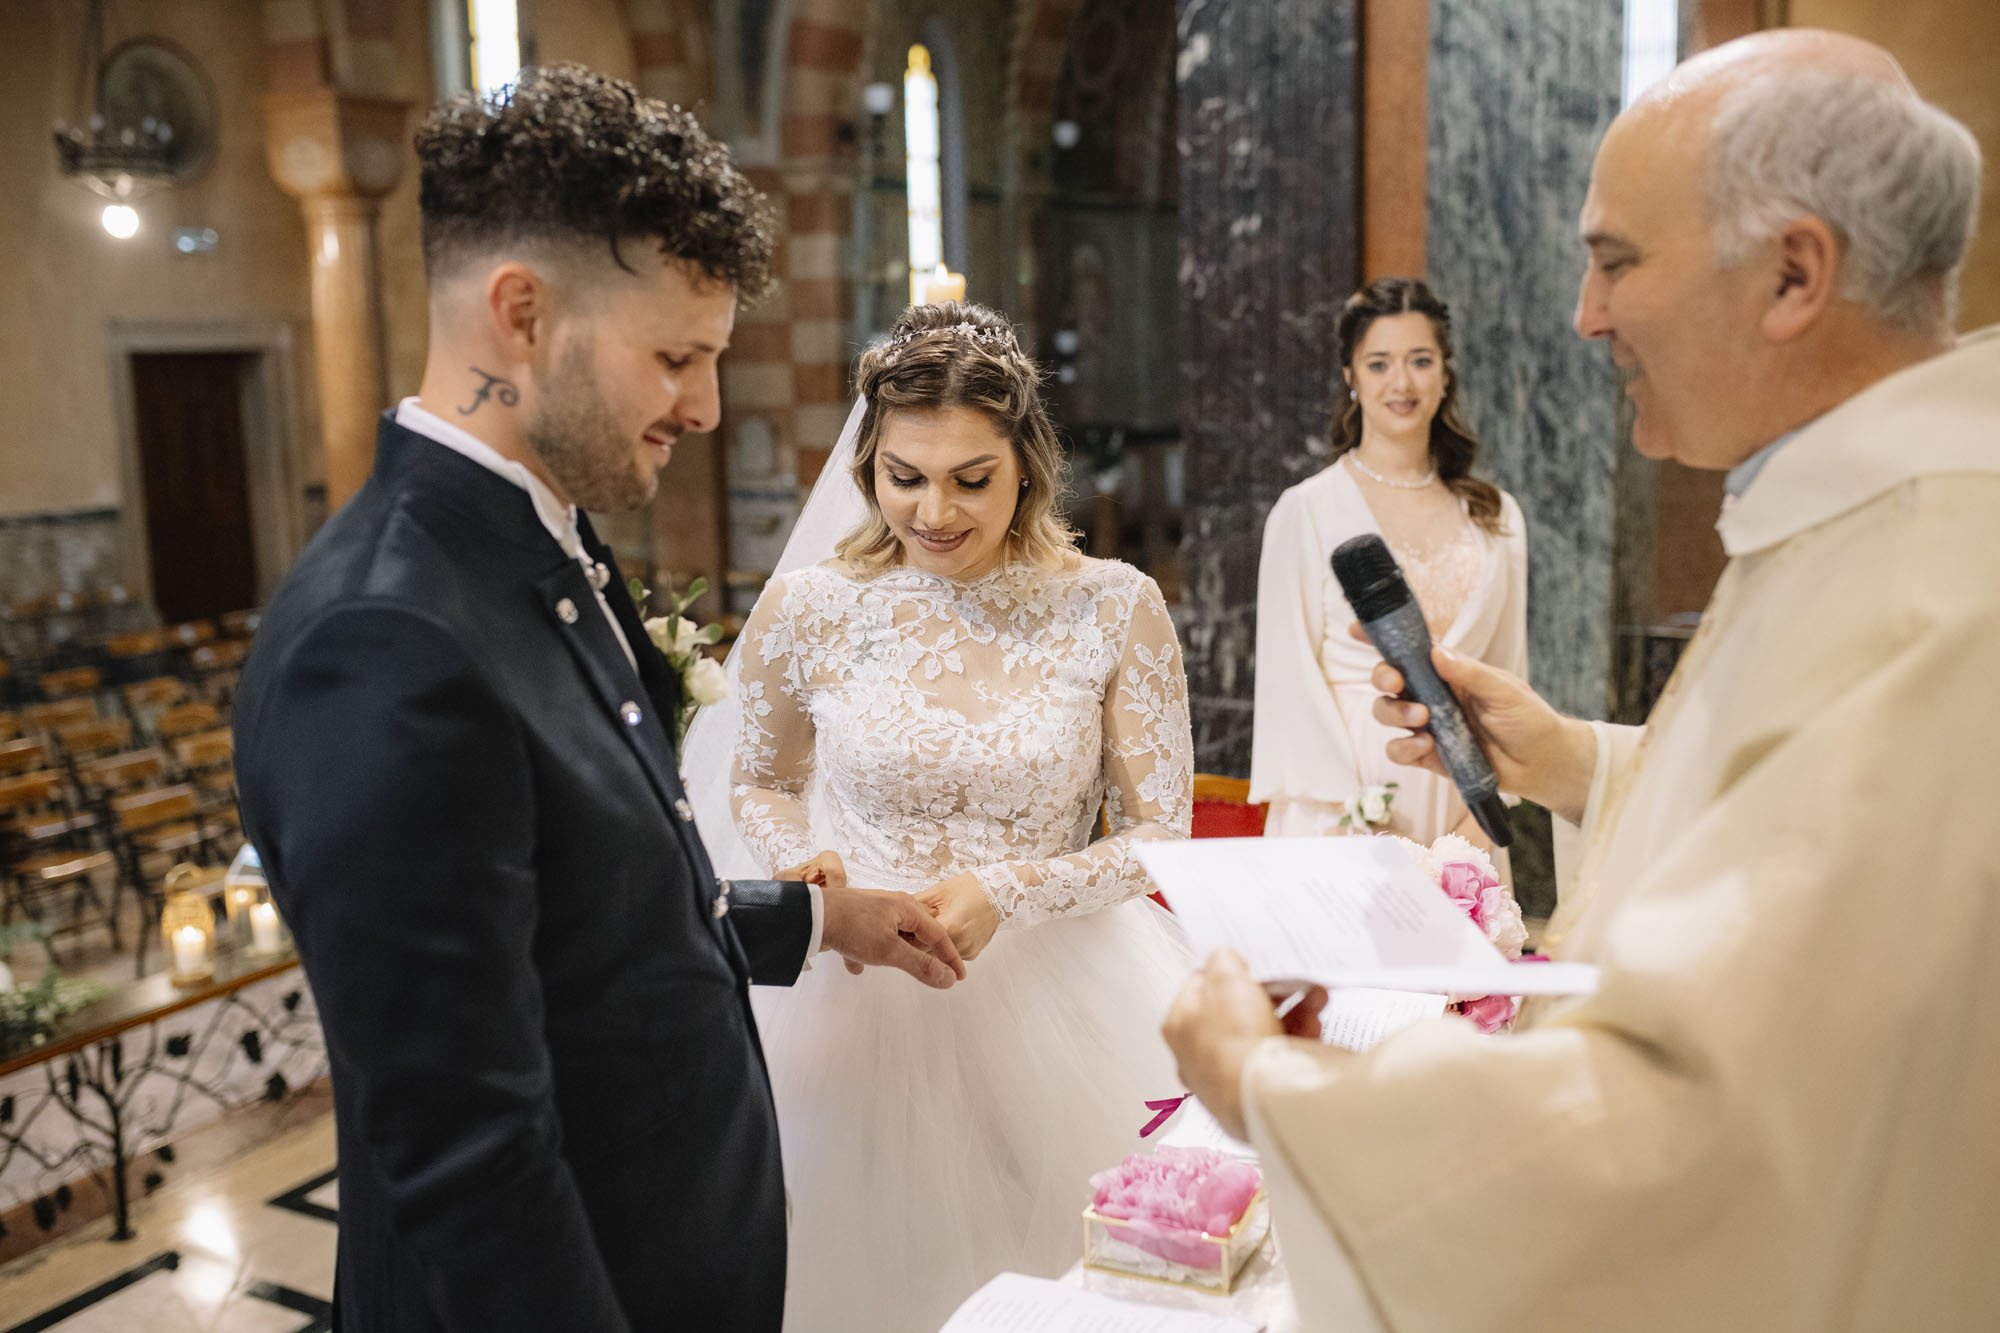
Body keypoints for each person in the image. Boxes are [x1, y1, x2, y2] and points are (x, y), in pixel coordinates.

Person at [1165, 29, 1998, 1332]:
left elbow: (1675, 1134)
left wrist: (1273, 1090)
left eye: (1616, 260)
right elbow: (1788, 831)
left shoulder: (1928, 585)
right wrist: (1572, 759)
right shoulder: (1868, 513)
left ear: (1794, 273)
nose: (1584, 315)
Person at [233, 67, 964, 1333]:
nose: (705, 406)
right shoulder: (382, 640)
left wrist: (807, 919)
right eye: (675, 356)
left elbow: (578, 926)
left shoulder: (540, 545)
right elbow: (471, 1155)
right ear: (519, 313)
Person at [713, 300, 1194, 1332]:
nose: (933, 510)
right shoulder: (808, 608)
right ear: (866, 468)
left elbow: (1161, 832)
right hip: (850, 1000)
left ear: (1025, 462)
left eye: (970, 479)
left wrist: (1010, 888)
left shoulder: (1114, 606)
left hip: (1069, 998)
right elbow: (757, 781)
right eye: (904, 477)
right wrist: (812, 869)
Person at [1250, 278, 1526, 853]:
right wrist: (1354, 819)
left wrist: (1485, 812)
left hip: (1468, 807)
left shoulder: (1496, 516)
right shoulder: (1307, 511)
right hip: (1342, 812)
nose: (1401, 383)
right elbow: (1288, 684)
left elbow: (1507, 676)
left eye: (1420, 361)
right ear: (1351, 377)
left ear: (1445, 372)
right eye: (1379, 364)